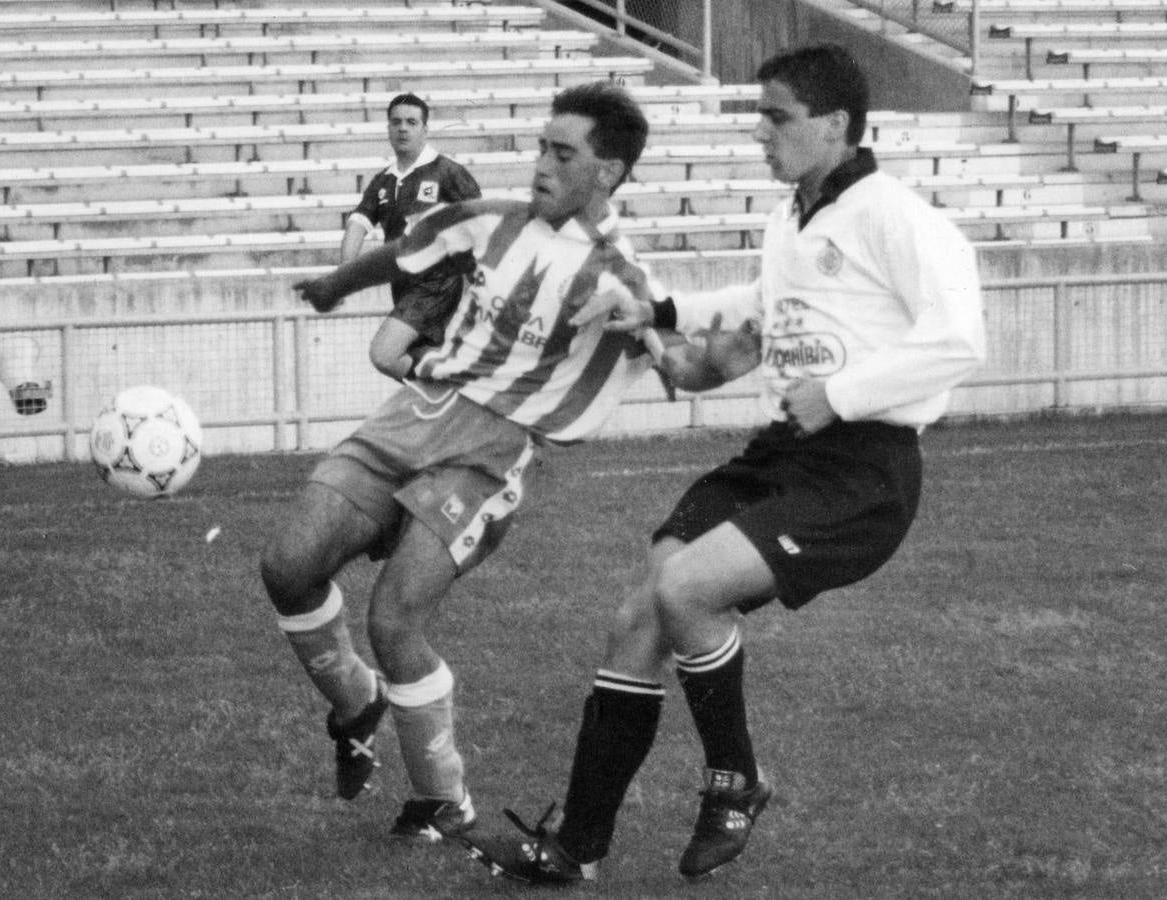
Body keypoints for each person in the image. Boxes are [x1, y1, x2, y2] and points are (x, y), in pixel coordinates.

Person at [459, 42, 987, 884]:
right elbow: (757, 307)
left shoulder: (897, 216)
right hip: (785, 452)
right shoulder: (793, 214)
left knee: (683, 591)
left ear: (836, 126)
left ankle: (736, 782)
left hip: (863, 470)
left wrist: (843, 393)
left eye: (776, 118)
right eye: (759, 117)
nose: (760, 134)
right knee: (643, 612)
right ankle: (575, 848)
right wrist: (656, 306)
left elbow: (959, 339)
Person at [260, 81, 660, 844]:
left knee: (394, 616)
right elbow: (405, 249)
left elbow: (685, 359)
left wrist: (662, 333)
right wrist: (334, 286)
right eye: (541, 145)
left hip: (489, 452)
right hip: (410, 416)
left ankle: (443, 799)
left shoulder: (621, 277)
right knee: (286, 562)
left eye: (562, 152)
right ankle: (355, 703)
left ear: (606, 172)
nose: (540, 162)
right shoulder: (491, 220)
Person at [341, 92, 481, 380]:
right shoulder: (383, 181)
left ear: (425, 129)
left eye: (411, 122)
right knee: (424, 362)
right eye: (396, 122)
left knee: (384, 354)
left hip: (437, 284)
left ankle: (451, 388)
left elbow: (482, 224)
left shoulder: (448, 173)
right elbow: (358, 223)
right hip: (404, 288)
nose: (403, 128)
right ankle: (453, 393)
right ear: (388, 128)